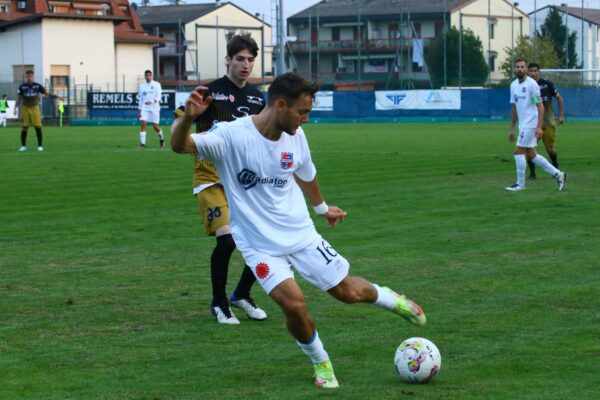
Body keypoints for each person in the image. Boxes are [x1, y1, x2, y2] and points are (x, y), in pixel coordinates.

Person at [171, 72, 426, 388]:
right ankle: (321, 362)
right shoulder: (230, 136)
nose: (306, 119)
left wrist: (322, 208)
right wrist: (187, 119)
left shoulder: (296, 137)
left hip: (301, 235)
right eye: (302, 112)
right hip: (259, 245)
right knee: (293, 303)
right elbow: (180, 145)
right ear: (280, 105)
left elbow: (307, 174)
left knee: (346, 292)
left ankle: (391, 300)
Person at [172, 33, 267, 325]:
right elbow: (177, 126)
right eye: (240, 59)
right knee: (227, 242)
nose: (246, 64)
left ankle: (240, 294)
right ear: (228, 59)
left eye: (250, 59)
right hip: (210, 177)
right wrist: (189, 116)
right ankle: (218, 303)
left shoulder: (256, 97)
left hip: (242, 180)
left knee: (263, 241)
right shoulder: (209, 92)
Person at [506, 60, 567, 192]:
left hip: (531, 123)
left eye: (522, 67)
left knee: (518, 150)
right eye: (517, 67)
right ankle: (559, 175)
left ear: (526, 69)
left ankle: (520, 184)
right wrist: (512, 128)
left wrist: (539, 127)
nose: (520, 69)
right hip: (523, 124)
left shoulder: (532, 85)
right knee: (532, 155)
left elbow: (540, 107)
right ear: (514, 69)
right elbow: (514, 107)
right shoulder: (513, 85)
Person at [526, 63, 565, 179]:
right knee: (530, 149)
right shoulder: (526, 86)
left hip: (548, 122)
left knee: (550, 149)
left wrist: (561, 115)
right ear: (528, 72)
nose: (533, 73)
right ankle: (532, 174)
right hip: (533, 123)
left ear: (539, 71)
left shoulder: (547, 84)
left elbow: (559, 97)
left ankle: (555, 166)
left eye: (535, 71)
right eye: (531, 71)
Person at [16, 71, 58, 152]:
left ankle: (39, 146)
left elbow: (47, 93)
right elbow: (19, 97)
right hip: (25, 108)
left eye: (31, 76)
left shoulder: (37, 86)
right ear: (26, 77)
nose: (29, 78)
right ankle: (23, 146)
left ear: (33, 76)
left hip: (35, 108)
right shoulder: (22, 86)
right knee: (24, 127)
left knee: (37, 127)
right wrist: (15, 107)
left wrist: (57, 96)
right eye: (28, 76)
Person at [138, 70, 164, 148]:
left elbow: (159, 96)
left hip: (154, 108)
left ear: (152, 76)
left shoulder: (157, 84)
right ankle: (143, 144)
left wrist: (152, 101)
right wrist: (139, 110)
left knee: (155, 126)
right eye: (146, 75)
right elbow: (141, 98)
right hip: (144, 108)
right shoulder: (142, 86)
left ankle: (162, 139)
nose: (148, 77)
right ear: (145, 76)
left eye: (149, 75)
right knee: (143, 123)